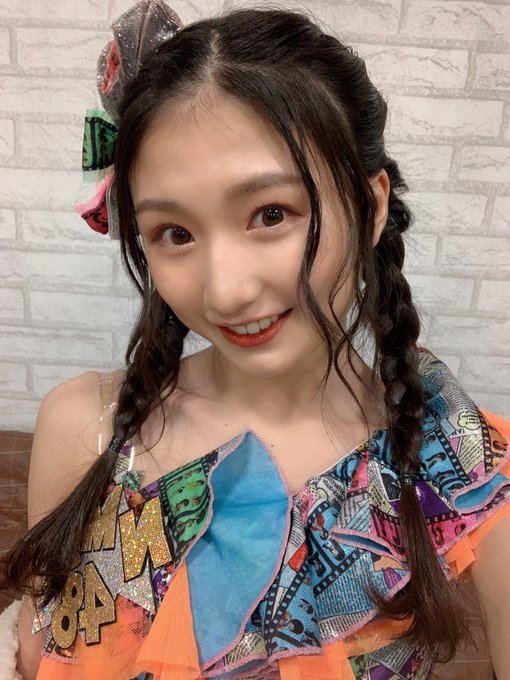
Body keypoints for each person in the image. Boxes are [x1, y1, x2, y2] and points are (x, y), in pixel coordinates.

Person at [1, 1, 510, 678]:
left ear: (371, 206)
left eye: (272, 214)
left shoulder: (456, 457)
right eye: (175, 233)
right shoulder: (83, 427)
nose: (226, 292)